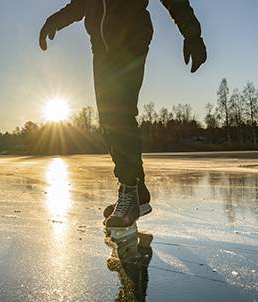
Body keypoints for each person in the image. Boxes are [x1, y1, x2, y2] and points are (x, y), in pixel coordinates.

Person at [39, 0, 206, 233]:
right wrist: (55, 21)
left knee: (120, 115)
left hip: (131, 38)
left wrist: (192, 34)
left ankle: (129, 189)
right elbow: (82, 4)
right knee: (109, 120)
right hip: (101, 46)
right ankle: (138, 191)